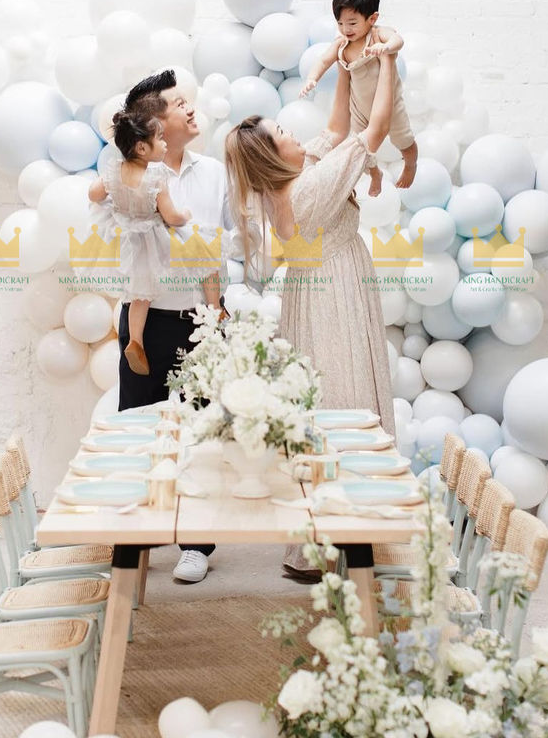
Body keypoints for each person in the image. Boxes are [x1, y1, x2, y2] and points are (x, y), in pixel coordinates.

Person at [225, 54, 398, 579]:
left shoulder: (287, 184)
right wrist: (388, 60)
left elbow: (336, 128)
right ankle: (347, 531)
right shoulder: (307, 189)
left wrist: (343, 64)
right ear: (273, 155)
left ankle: (320, 539)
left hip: (314, 290)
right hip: (334, 290)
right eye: (283, 133)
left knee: (324, 397)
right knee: (345, 394)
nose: (294, 133)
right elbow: (373, 129)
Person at [114, 69, 235, 584]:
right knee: (136, 431)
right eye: (178, 102)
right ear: (153, 121)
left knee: (204, 434)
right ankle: (133, 541)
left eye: (189, 101)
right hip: (145, 320)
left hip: (201, 318)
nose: (189, 108)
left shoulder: (214, 172)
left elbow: (230, 237)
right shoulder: (131, 172)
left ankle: (197, 544)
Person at [88, 98, 215, 376]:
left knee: (138, 296)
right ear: (142, 148)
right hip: (150, 240)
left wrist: (116, 206)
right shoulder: (155, 177)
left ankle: (135, 340)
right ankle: (214, 307)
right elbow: (170, 216)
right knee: (202, 253)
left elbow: (94, 194)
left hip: (125, 240)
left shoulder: (114, 171)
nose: (165, 144)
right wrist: (185, 215)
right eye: (160, 139)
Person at [300, 0, 417, 195]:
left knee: (405, 141)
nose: (346, 29)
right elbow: (324, 60)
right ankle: (375, 174)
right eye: (340, 23)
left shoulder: (378, 35)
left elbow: (398, 40)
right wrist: (312, 78)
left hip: (390, 106)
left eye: (352, 23)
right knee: (360, 148)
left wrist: (386, 47)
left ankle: (410, 164)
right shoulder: (341, 43)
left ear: (372, 19)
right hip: (360, 107)